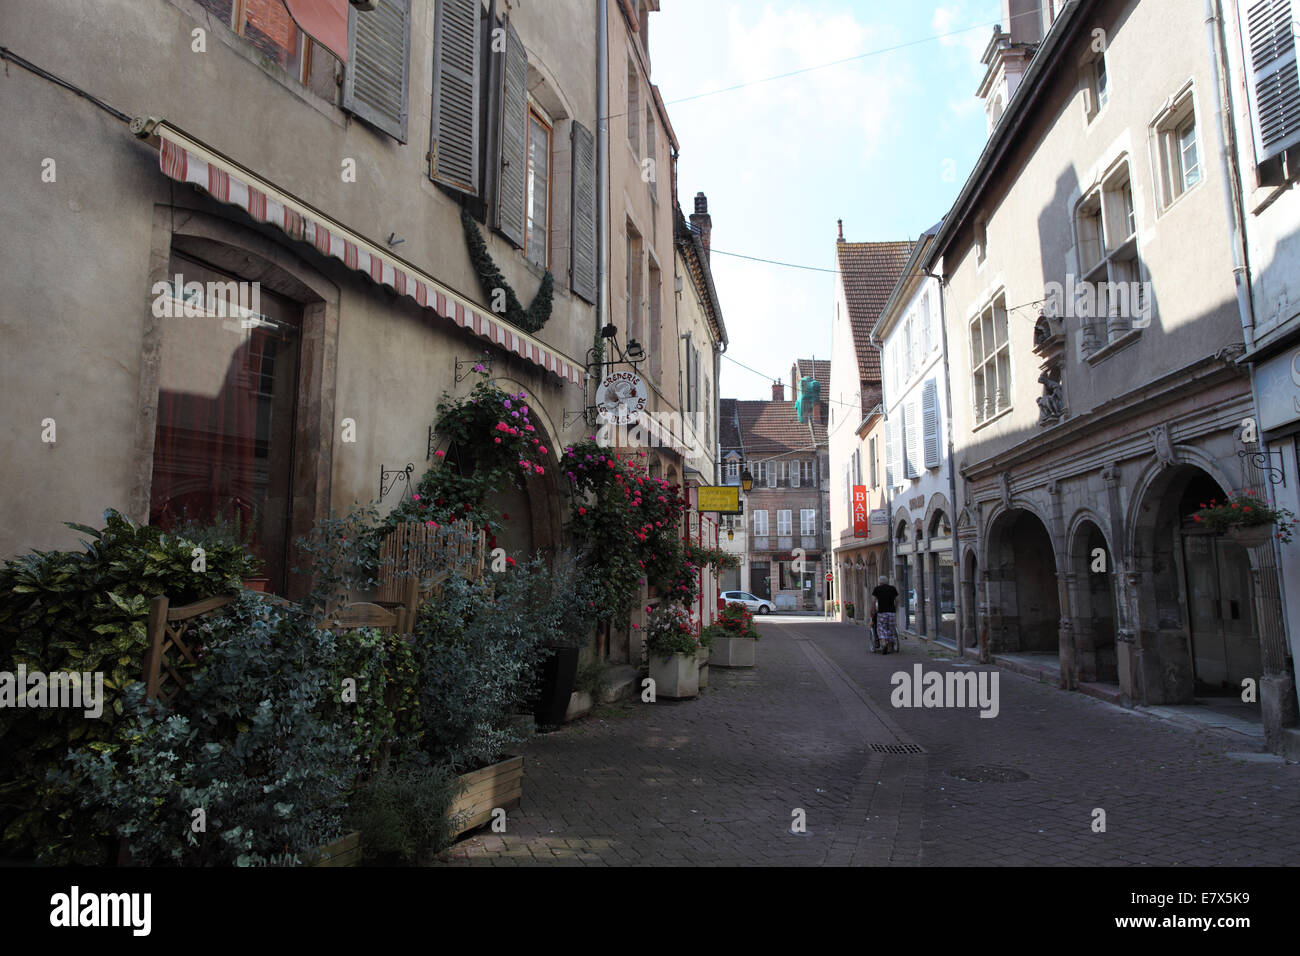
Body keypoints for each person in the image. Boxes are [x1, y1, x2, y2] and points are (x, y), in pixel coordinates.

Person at [872, 575, 899, 653]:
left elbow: (873, 601)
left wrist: (873, 610)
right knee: (891, 628)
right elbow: (897, 599)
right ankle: (890, 647)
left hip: (882, 612)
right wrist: (895, 608)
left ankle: (883, 642)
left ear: (880, 582)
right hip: (892, 612)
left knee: (881, 628)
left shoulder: (877, 589)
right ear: (887, 581)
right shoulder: (892, 588)